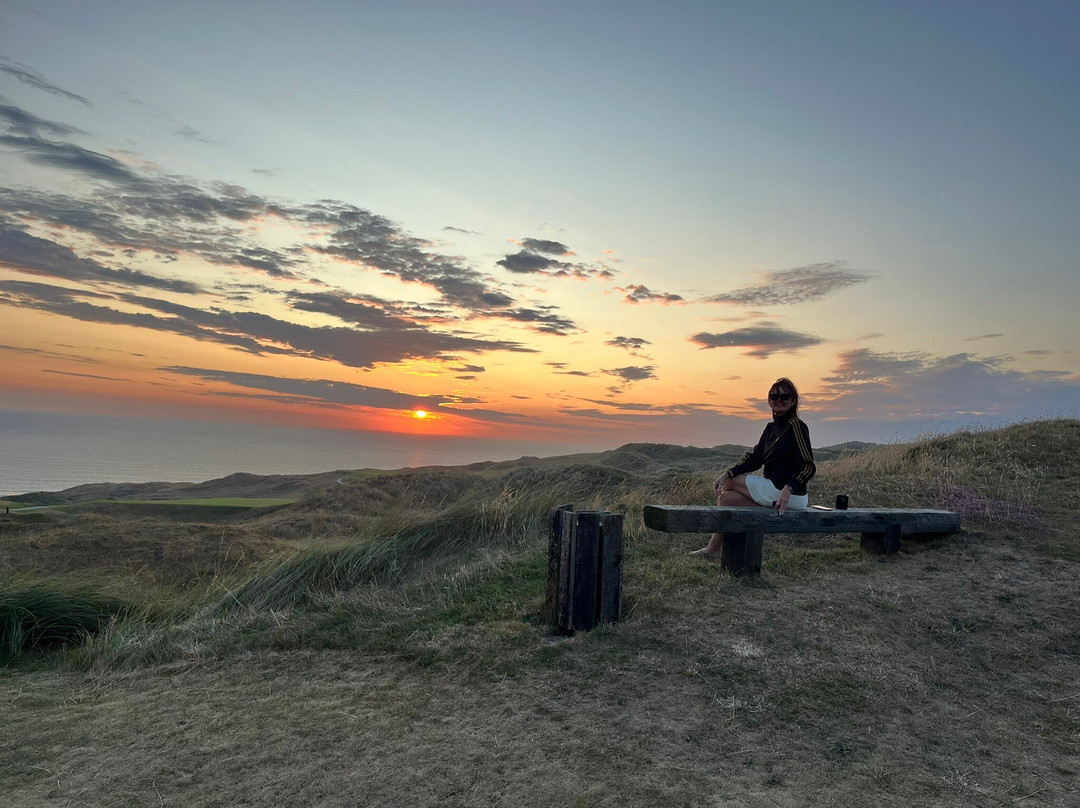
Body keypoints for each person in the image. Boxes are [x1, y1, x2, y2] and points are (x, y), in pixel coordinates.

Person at [691, 377, 816, 557]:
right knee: (727, 499)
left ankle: (719, 548)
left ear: (793, 401)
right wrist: (727, 473)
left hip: (788, 494)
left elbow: (808, 466)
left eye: (784, 397)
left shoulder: (795, 426)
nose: (778, 401)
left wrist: (789, 488)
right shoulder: (771, 428)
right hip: (775, 495)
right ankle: (713, 549)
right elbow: (756, 459)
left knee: (732, 482)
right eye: (774, 397)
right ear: (768, 401)